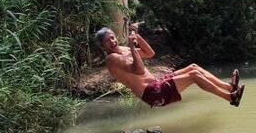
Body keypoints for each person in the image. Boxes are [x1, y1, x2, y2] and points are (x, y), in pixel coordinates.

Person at [95, 25, 244, 108]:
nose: (112, 41)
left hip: (156, 82)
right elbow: (139, 70)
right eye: (108, 41)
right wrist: (132, 47)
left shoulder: (124, 49)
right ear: (103, 46)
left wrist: (137, 36)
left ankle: (229, 87)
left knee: (193, 67)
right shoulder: (112, 59)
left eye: (112, 37)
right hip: (152, 93)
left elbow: (150, 53)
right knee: (194, 76)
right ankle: (230, 98)